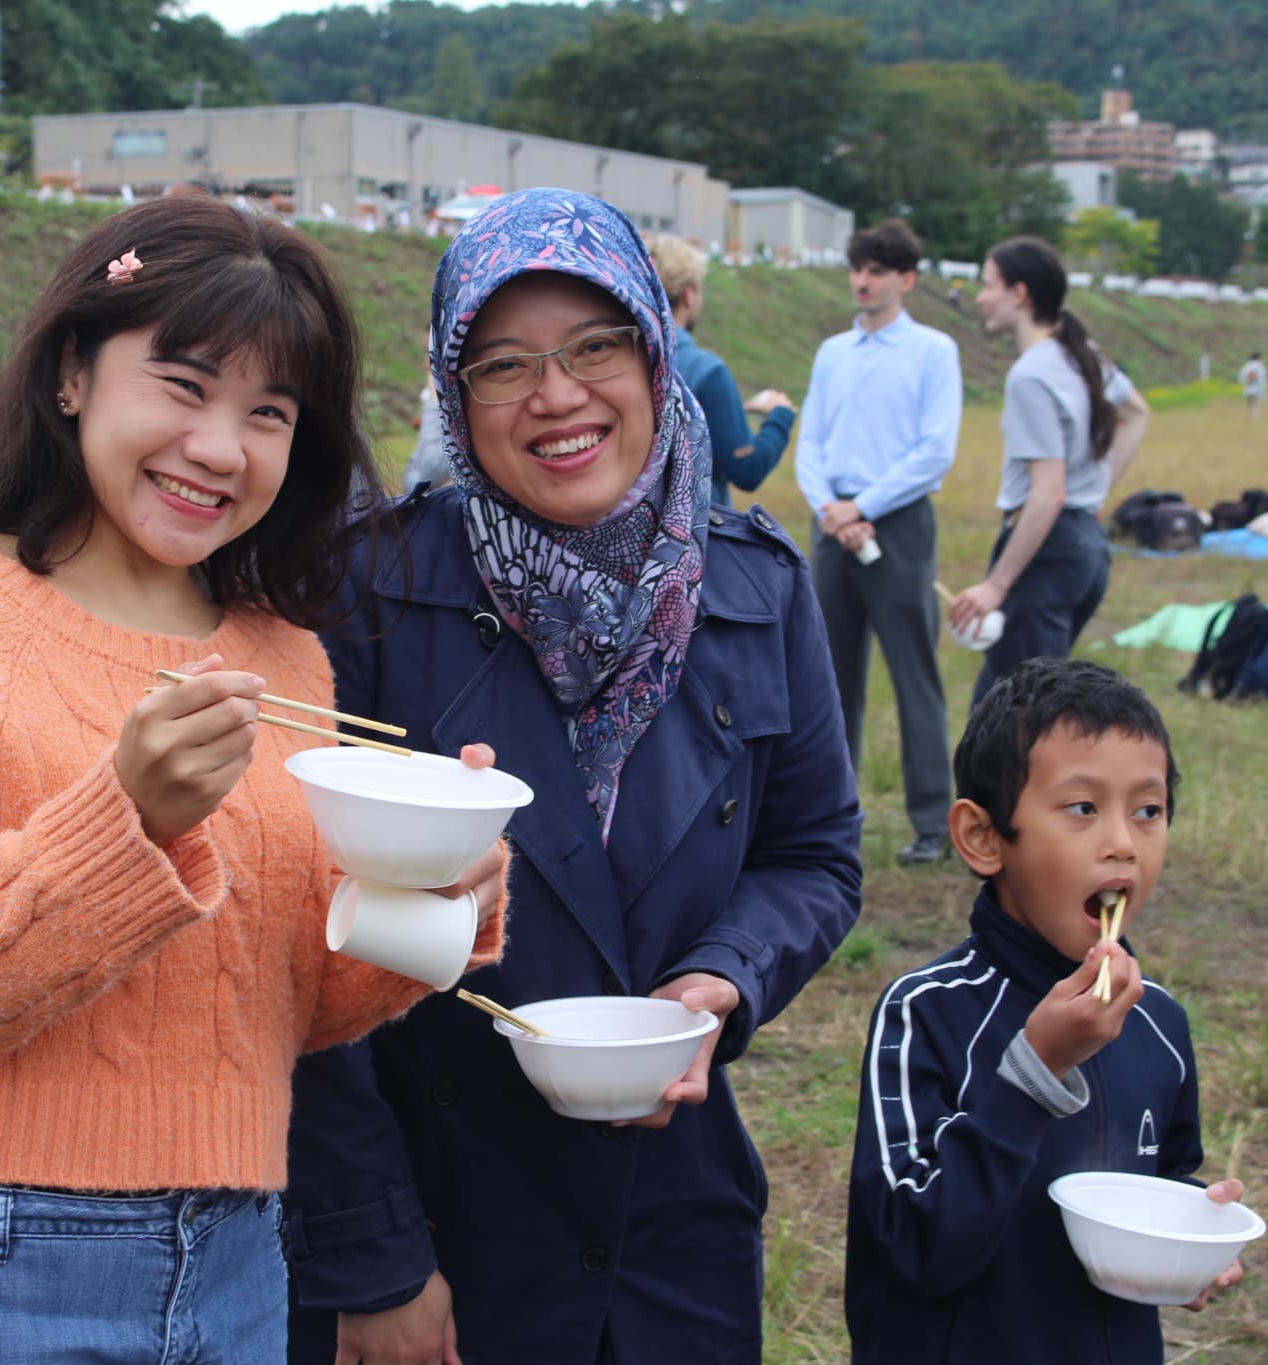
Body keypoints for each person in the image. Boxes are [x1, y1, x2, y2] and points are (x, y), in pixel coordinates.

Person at [0, 195, 507, 1364]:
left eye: (267, 413)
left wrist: (431, 900)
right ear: (73, 372)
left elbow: (289, 1009)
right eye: (182, 386)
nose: (219, 447)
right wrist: (126, 824)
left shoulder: (281, 655)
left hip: (232, 1252)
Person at [283, 188, 863, 1365]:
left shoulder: (755, 588)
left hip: (673, 1226)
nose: (556, 396)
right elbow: (284, 945)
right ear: (454, 393)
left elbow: (813, 856)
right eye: (502, 365)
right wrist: (373, 1259)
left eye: (594, 346)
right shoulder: (369, 596)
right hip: (439, 1224)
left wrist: (719, 983)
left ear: (655, 355)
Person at [845, 657, 1246, 1364]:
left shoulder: (1158, 1022)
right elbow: (911, 1246)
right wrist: (1034, 1072)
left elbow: (1159, 1181)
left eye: (1148, 809)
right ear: (984, 837)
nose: (1123, 840)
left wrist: (1192, 1233)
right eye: (1083, 808)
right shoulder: (925, 1014)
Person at [795, 219, 963, 865]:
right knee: (829, 679)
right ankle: (830, 815)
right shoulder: (833, 352)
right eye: (857, 269)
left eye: (877, 271)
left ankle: (931, 820)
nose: (862, 281)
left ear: (906, 279)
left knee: (912, 671)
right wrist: (830, 510)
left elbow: (934, 451)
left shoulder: (932, 352)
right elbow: (811, 441)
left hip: (896, 522)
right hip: (832, 522)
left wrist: (863, 506)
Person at [952, 237, 1150, 707]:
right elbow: (1137, 414)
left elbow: (1048, 493)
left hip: (1047, 550)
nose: (980, 297)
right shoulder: (1082, 354)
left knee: (1010, 718)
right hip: (1087, 549)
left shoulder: (1031, 376)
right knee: (1033, 707)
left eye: (987, 285)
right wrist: (1096, 494)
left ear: (1019, 294)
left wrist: (995, 585)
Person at [649, 234, 795, 507]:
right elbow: (746, 467)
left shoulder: (621, 360)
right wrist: (780, 418)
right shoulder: (708, 372)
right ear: (690, 295)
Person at [399, 355, 451, 492]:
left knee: (416, 482)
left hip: (435, 447)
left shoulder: (437, 380)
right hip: (435, 439)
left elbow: (434, 406)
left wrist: (431, 367)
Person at [1237, 350, 1267, 419]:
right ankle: (1254, 420)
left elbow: (1241, 378)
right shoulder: (1260, 367)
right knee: (1256, 407)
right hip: (1258, 390)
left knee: (1250, 407)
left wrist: (1248, 381)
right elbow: (1262, 380)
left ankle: (1250, 418)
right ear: (1259, 358)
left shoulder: (1246, 366)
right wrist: (1264, 392)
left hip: (1247, 389)